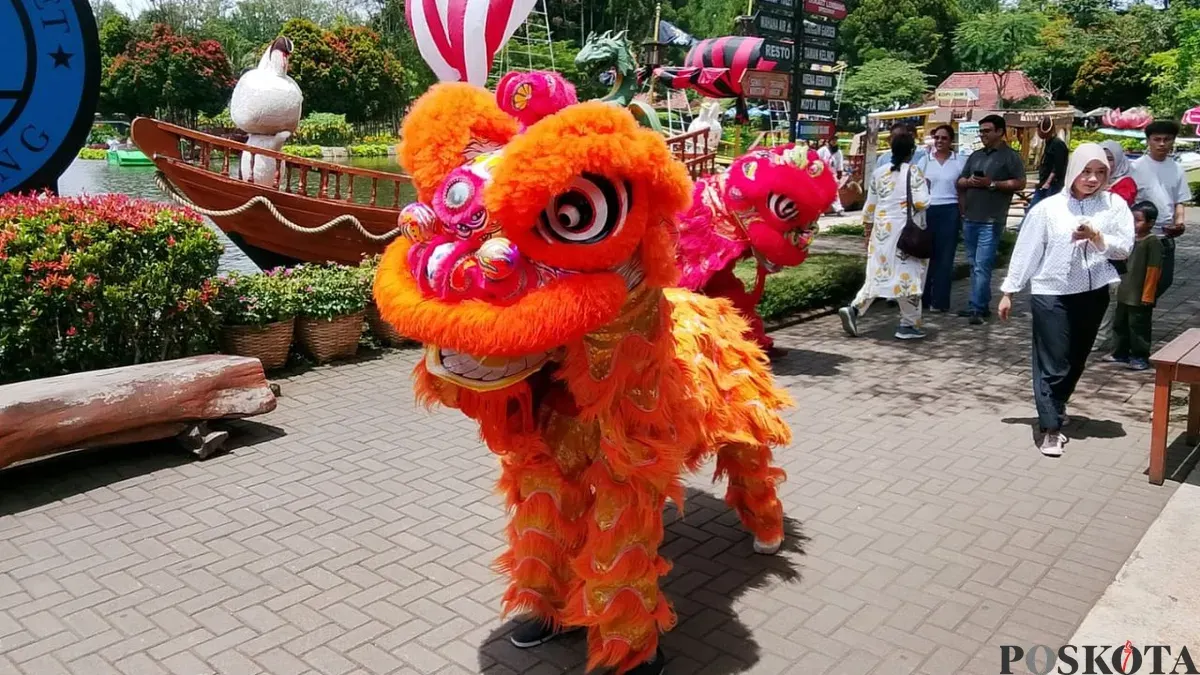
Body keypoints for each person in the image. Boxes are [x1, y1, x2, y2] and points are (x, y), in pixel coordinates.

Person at [997, 143, 1134, 457]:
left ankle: (1055, 404)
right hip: (1052, 292)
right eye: (1086, 171)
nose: (1092, 179)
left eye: (1100, 172)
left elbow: (1124, 248)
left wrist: (1098, 237)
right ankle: (1050, 428)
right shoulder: (1048, 209)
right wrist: (1009, 292)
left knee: (1075, 360)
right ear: (1074, 171)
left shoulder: (1113, 205)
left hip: (1093, 292)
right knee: (1053, 361)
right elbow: (1027, 252)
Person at [839, 134, 931, 340]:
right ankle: (908, 325)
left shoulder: (879, 173)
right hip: (906, 235)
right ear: (912, 151)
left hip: (881, 234)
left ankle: (854, 309)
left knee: (878, 274)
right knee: (908, 279)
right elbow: (922, 202)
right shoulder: (914, 171)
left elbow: (869, 206)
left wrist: (867, 232)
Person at [957, 114, 1028, 324]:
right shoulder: (975, 156)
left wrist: (993, 184)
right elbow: (960, 180)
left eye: (987, 131)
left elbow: (1021, 183)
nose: (982, 135)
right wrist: (969, 181)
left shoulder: (1010, 156)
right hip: (970, 216)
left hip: (991, 219)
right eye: (981, 131)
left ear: (999, 132)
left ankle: (977, 308)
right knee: (974, 264)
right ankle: (979, 304)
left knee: (982, 265)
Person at [1132, 119, 1191, 298]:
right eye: (1157, 139)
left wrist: (1179, 223)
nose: (1162, 144)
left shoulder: (1177, 169)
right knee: (1137, 284)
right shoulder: (1135, 168)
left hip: (1165, 237)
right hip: (1139, 238)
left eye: (1167, 139)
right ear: (1148, 140)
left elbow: (1179, 201)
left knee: (1163, 281)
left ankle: (1140, 316)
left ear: (1173, 141)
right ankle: (1132, 321)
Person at [1090, 140, 1139, 352]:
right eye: (1102, 158)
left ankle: (1101, 337)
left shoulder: (1125, 183)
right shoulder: (1094, 182)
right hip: (1092, 246)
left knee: (1108, 294)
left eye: (1110, 158)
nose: (1106, 163)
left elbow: (1115, 208)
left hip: (1113, 247)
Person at [1109, 202, 1163, 371]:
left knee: (1138, 326)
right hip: (1125, 290)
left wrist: (1148, 294)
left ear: (1150, 223)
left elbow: (1154, 270)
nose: (1133, 224)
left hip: (1140, 294)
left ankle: (1140, 356)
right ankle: (1120, 352)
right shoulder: (1129, 239)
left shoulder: (1152, 242)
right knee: (1120, 323)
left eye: (1137, 220)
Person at [916, 124, 965, 313]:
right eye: (937, 138)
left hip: (950, 210)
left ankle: (940, 301)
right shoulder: (924, 161)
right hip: (928, 210)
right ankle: (925, 298)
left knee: (945, 257)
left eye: (944, 138)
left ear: (950, 141)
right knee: (927, 256)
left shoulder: (959, 161)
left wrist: (963, 213)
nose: (940, 141)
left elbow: (962, 190)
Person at [1030, 118, 1068, 208]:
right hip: (1044, 184)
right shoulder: (1048, 143)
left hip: (1052, 186)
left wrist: (1047, 182)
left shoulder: (1058, 144)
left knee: (1041, 209)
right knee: (1034, 210)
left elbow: (1058, 166)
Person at [1102, 141, 1138, 206]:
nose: (1105, 162)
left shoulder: (1126, 182)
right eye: (1102, 158)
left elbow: (1122, 204)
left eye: (1110, 159)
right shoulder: (1093, 179)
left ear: (1118, 160)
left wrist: (1106, 191)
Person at [818, 135, 846, 215]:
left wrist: (839, 171)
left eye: (835, 140)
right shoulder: (822, 150)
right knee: (822, 192)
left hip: (832, 174)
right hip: (822, 173)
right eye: (832, 140)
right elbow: (816, 159)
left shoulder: (838, 151)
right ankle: (820, 209)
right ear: (829, 141)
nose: (834, 142)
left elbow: (840, 162)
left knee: (834, 192)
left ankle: (838, 209)